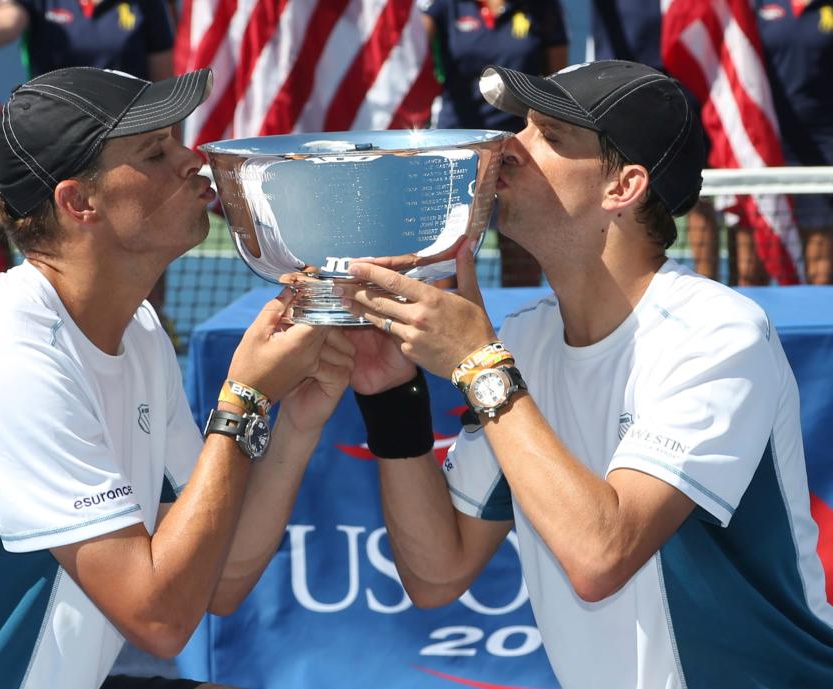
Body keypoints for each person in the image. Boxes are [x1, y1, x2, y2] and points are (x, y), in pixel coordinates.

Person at [336, 60, 833, 688]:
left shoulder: (716, 332)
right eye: (519, 126)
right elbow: (438, 573)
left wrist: (478, 365)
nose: (507, 146)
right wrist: (391, 399)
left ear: (622, 187)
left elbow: (602, 555)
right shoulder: (522, 340)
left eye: (550, 134)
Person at [0, 66, 354, 689]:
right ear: (79, 202)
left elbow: (221, 576)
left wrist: (296, 422)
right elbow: (159, 618)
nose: (194, 162)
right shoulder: (6, 365)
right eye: (156, 152)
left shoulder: (138, 329)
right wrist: (245, 398)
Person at [0, 0, 182, 343]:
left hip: (129, 146)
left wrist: (168, 151)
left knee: (143, 227)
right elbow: (7, 21)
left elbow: (163, 74)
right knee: (67, 235)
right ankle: (62, 318)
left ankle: (150, 314)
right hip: (59, 150)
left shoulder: (148, 5)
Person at [420, 0, 568, 286]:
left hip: (519, 151)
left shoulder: (543, 9)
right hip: (457, 154)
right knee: (448, 259)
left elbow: (558, 86)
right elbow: (408, 51)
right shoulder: (445, 7)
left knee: (522, 259)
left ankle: (519, 327)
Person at [589, 0, 722, 282]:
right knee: (613, 191)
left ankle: (708, 282)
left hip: (683, 94)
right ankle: (614, 281)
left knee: (699, 195)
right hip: (618, 98)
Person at [732, 0, 833, 285]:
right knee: (751, 267)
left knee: (821, 271)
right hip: (762, 147)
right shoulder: (756, 8)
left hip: (823, 149)